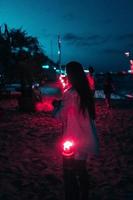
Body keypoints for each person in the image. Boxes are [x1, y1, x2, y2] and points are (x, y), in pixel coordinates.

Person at [53, 61, 99, 200]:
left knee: (71, 173)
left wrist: (56, 107)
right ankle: (84, 195)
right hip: (86, 137)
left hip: (73, 137)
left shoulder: (71, 93)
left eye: (67, 73)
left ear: (71, 75)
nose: (66, 76)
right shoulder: (86, 91)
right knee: (82, 170)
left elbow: (60, 116)